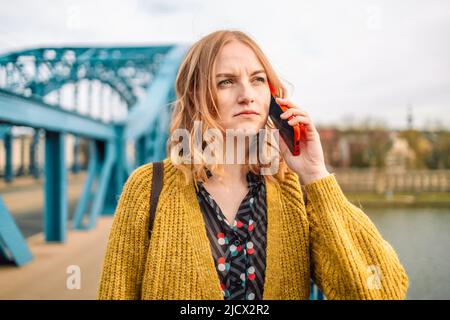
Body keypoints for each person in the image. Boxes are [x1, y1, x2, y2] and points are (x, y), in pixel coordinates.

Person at [97, 30, 409, 300]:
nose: (247, 95)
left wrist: (316, 175)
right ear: (196, 96)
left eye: (258, 80)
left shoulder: (295, 193)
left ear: (272, 97)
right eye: (226, 82)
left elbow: (380, 291)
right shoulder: (149, 188)